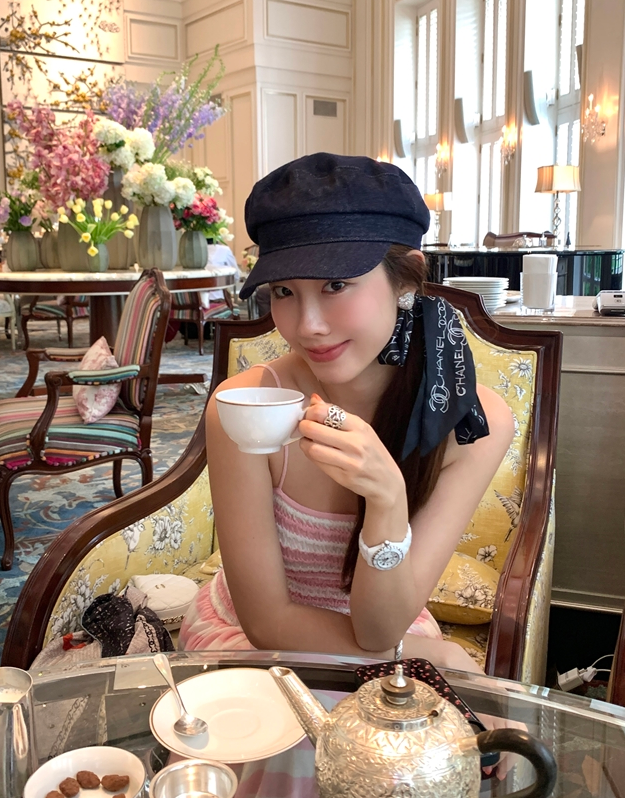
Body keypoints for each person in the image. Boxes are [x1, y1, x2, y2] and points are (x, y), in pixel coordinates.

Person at [179, 152, 514, 674]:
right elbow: (267, 622)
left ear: (407, 281)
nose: (307, 325)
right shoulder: (245, 408)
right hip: (254, 644)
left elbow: (379, 627)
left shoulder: (472, 423)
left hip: (386, 626)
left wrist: (386, 500)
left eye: (335, 285)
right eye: (284, 291)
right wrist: (427, 655)